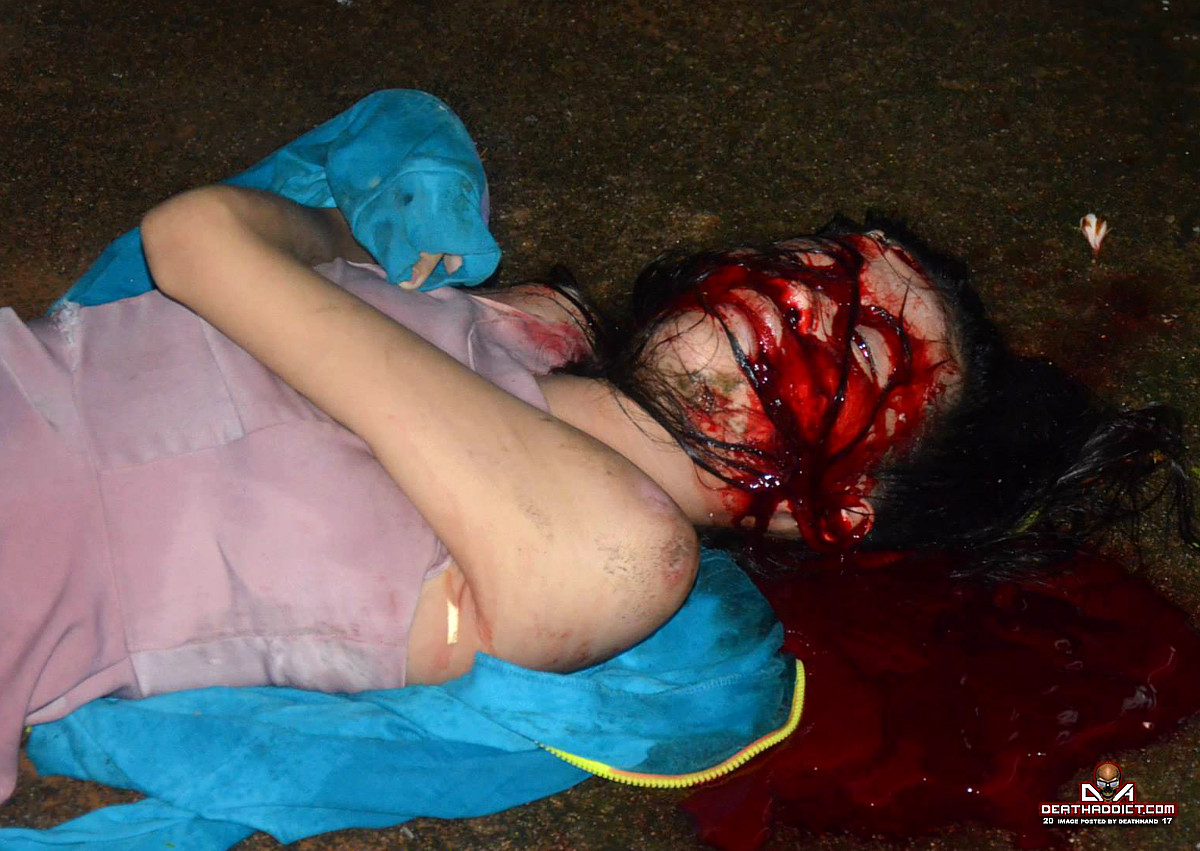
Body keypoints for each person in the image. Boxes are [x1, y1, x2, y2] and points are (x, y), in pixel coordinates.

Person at [1, 184, 1191, 805]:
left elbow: (197, 238)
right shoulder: (490, 326)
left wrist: (319, 240)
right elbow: (216, 245)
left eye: (863, 343)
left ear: (835, 512)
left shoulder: (626, 556)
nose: (802, 297)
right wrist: (366, 227)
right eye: (820, 264)